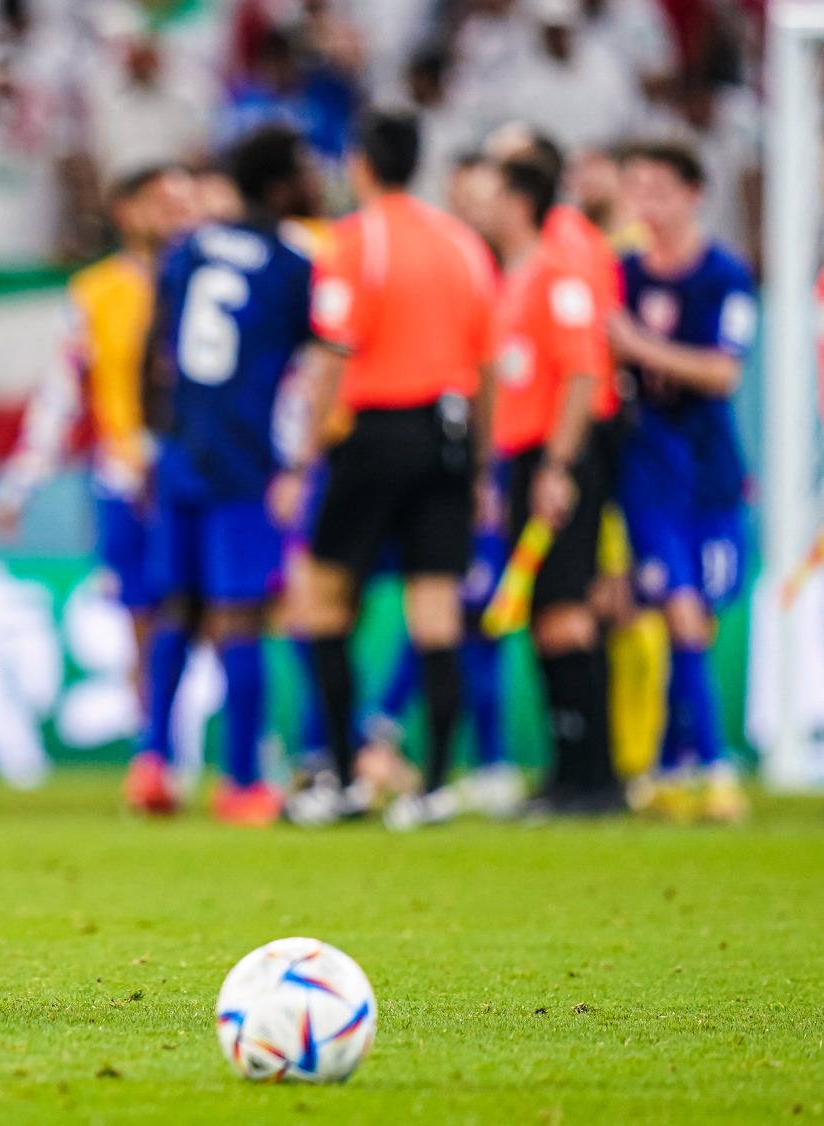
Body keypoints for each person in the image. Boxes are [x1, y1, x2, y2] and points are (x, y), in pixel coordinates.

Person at [288, 111, 499, 827]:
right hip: (449, 434)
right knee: (436, 614)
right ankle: (434, 788)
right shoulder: (465, 245)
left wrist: (304, 456)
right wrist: (480, 467)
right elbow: (488, 366)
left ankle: (345, 778)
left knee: (322, 601)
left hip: (376, 433)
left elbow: (332, 355)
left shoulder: (353, 242)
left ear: (361, 164)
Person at [131, 127, 317, 824]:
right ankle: (241, 779)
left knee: (175, 607)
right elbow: (315, 360)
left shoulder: (190, 250)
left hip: (181, 449)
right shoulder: (291, 262)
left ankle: (153, 763)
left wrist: (160, 441)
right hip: (245, 459)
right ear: (278, 184)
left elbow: (155, 352)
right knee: (240, 615)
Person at [0, 164, 197, 720]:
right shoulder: (96, 293)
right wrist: (20, 485)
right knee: (141, 618)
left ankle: (239, 754)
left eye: (185, 202)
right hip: (126, 478)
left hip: (203, 474)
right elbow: (61, 395)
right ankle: (155, 753)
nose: (177, 215)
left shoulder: (209, 281)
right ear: (126, 212)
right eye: (161, 202)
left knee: (222, 610)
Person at [459, 156, 622, 826]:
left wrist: (558, 467)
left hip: (563, 456)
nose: (478, 205)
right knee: (547, 619)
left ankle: (595, 779)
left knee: (566, 615)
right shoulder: (514, 276)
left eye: (491, 193)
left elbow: (583, 374)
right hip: (525, 457)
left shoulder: (559, 273)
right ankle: (566, 775)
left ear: (520, 200)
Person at [608, 140, 755, 823]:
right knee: (681, 613)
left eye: (659, 187)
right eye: (635, 186)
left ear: (694, 193)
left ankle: (671, 764)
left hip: (713, 478)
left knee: (698, 623)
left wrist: (635, 344)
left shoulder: (724, 274)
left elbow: (724, 373)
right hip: (649, 476)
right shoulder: (621, 273)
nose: (645, 202)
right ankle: (718, 771)